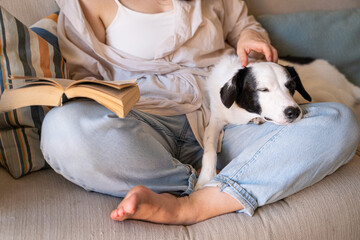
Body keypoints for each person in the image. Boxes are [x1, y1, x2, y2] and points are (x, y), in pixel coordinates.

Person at [40, 0, 360, 225]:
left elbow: (242, 26)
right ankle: (189, 181)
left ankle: (196, 203)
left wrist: (251, 37)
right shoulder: (87, 4)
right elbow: (83, 76)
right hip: (143, 125)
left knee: (337, 122)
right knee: (62, 129)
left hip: (225, 117)